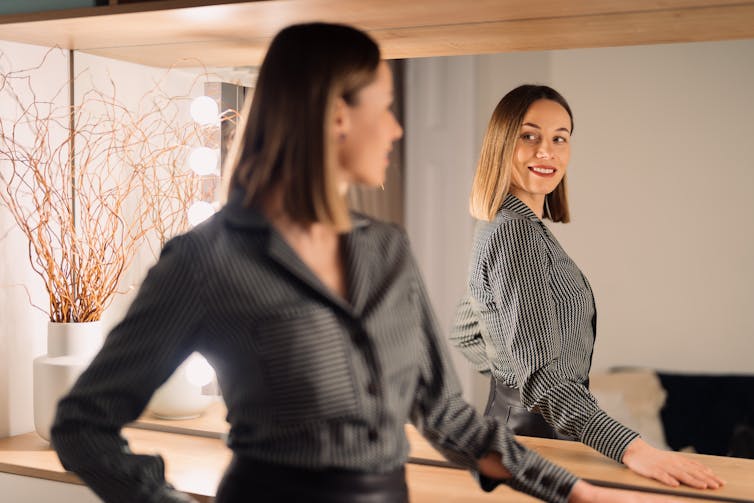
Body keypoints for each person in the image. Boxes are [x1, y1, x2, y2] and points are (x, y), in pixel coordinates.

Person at [53, 24, 690, 503]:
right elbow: (83, 425)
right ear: (335, 115)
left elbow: (444, 415)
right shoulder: (206, 261)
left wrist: (571, 490)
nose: (397, 129)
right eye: (383, 106)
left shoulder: (387, 251)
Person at [450, 84, 724, 490]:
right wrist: (635, 448)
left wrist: (512, 375)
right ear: (501, 144)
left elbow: (466, 330)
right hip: (533, 444)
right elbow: (542, 378)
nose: (548, 151)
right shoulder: (516, 236)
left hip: (527, 433)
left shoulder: (499, 226)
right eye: (529, 136)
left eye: (560, 138)